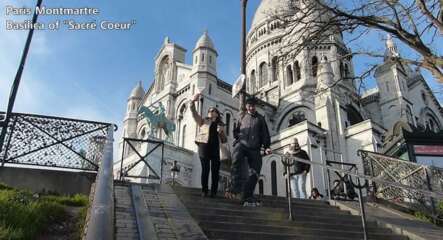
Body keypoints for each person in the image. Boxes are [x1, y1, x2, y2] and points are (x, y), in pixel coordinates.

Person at [225, 96, 272, 207]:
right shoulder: (242, 117)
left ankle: (247, 195)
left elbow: (265, 134)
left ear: (255, 107)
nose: (251, 108)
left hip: (254, 148)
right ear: (246, 106)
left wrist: (267, 146)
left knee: (255, 171)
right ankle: (234, 188)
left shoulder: (260, 118)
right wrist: (237, 139)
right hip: (242, 145)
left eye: (253, 106)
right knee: (236, 162)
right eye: (249, 106)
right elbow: (236, 130)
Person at [190, 93, 227, 198]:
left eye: (212, 111)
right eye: (209, 111)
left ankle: (214, 192)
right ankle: (204, 190)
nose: (210, 112)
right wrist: (193, 101)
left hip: (216, 149)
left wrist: (221, 132)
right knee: (205, 169)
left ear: (217, 113)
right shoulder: (203, 121)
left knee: (215, 171)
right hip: (204, 146)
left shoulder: (221, 124)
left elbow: (224, 140)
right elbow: (193, 113)